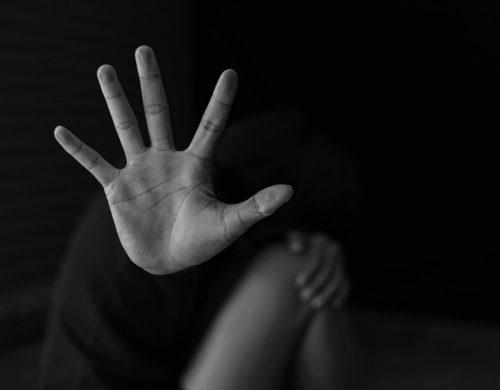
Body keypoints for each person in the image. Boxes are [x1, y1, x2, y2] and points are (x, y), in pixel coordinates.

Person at [40, 46, 358, 390]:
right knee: (298, 270)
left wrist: (324, 256)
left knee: (317, 291)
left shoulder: (183, 202)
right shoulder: (159, 209)